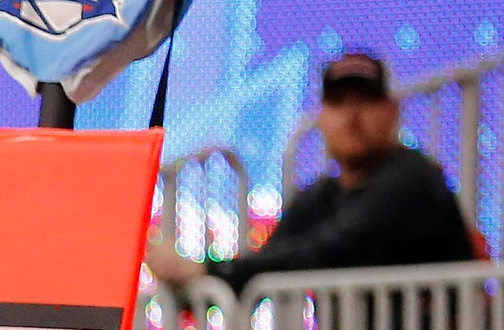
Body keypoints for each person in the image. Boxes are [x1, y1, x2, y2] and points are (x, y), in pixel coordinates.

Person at [145, 52, 478, 291]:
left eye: (365, 102)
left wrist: (207, 271)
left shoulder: (413, 182)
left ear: (392, 112)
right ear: (320, 116)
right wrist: (191, 277)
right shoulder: (320, 197)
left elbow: (330, 249)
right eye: (338, 103)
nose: (352, 117)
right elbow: (272, 260)